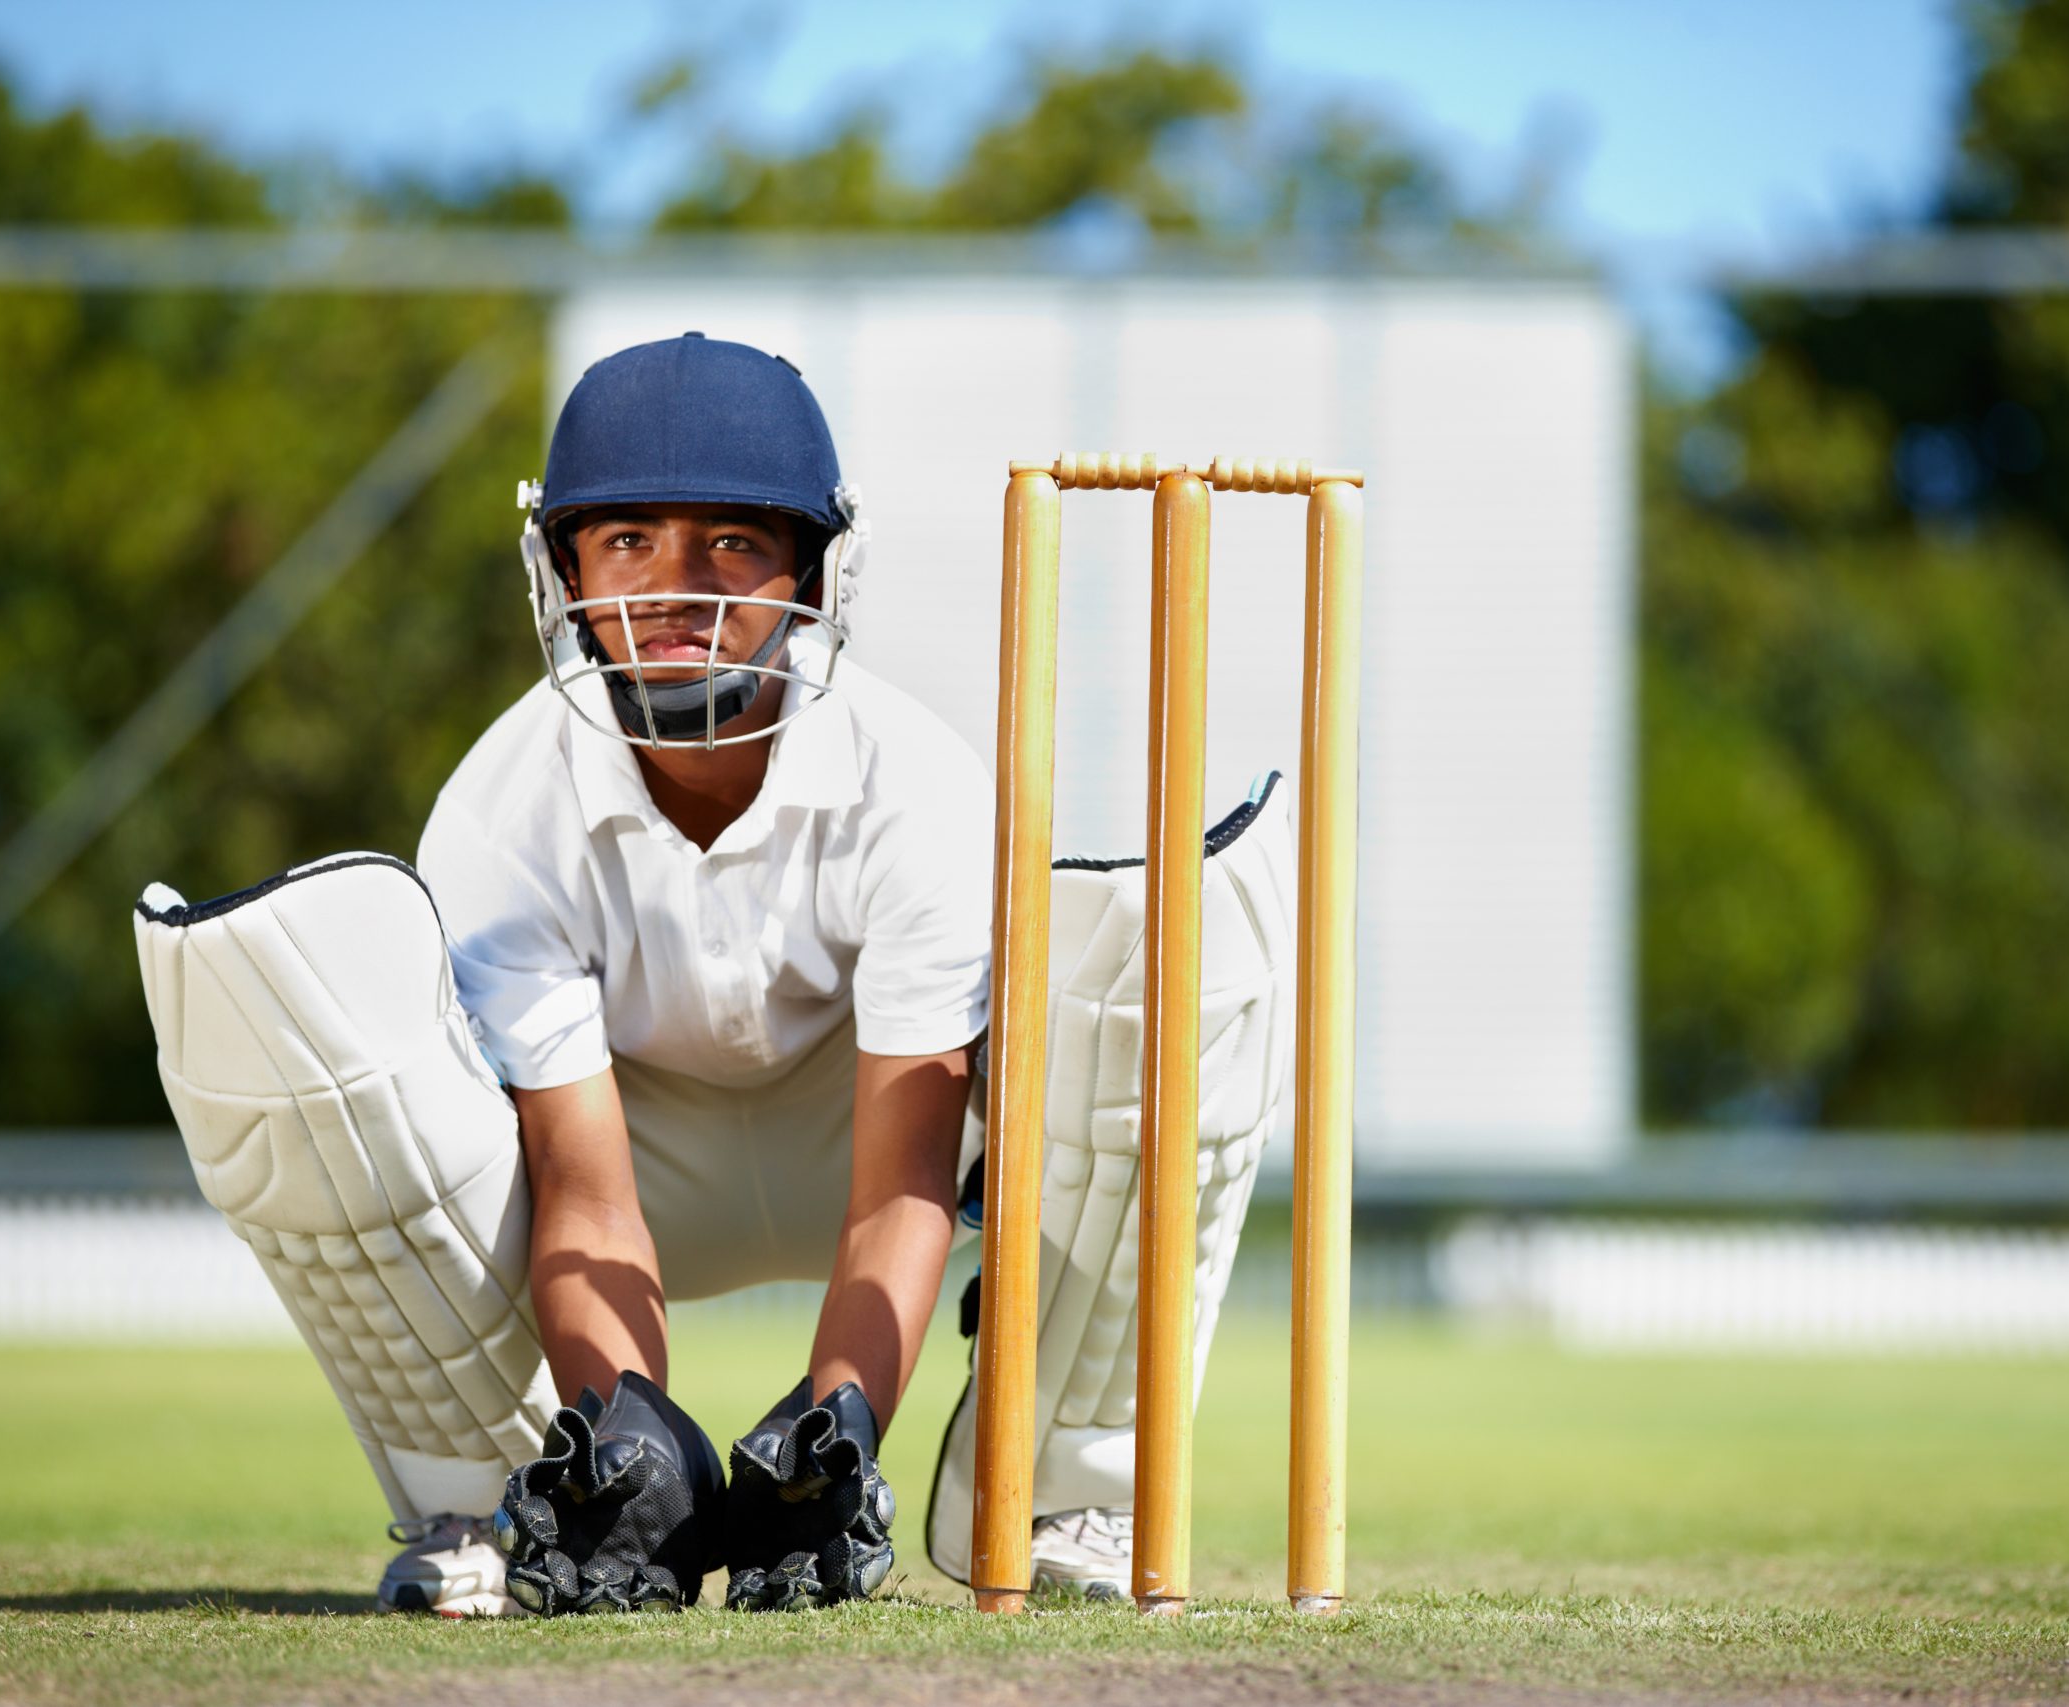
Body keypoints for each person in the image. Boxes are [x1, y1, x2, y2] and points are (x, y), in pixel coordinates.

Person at [132, 332, 1294, 1618]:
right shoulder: (500, 809)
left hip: (860, 1149)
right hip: (628, 1167)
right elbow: (584, 1198)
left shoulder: (911, 783)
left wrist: (835, 1426)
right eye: (628, 540)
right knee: (301, 1036)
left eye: (731, 544)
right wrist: (626, 1432)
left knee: (1157, 976)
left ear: (812, 567)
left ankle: (1051, 1491)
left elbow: (904, 1183)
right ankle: (494, 1498)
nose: (674, 587)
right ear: (561, 567)